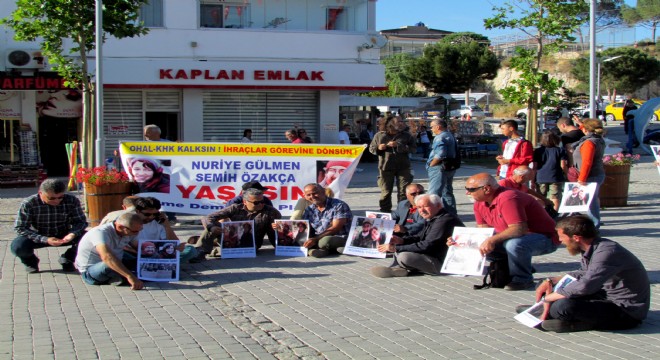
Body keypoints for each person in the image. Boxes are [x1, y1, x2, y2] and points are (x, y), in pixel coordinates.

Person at [520, 215, 649, 333]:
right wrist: (550, 280)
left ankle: (565, 318)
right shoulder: (591, 248)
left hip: (625, 311)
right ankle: (547, 312)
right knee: (544, 287)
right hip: (603, 294)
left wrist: (548, 299)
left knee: (563, 306)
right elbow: (584, 273)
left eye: (562, 237)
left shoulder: (607, 252)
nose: (560, 241)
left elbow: (585, 285)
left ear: (576, 238)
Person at [463, 173, 559, 290]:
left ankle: (523, 279)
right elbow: (483, 230)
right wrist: (461, 242)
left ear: (486, 189)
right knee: (483, 245)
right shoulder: (479, 203)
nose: (467, 193)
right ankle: (513, 267)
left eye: (471, 189)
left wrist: (492, 240)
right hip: (517, 237)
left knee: (514, 244)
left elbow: (519, 228)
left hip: (545, 237)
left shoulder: (508, 198)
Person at [371, 193, 464, 278]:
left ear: (439, 206)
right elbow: (420, 237)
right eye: (419, 207)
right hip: (431, 254)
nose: (422, 210)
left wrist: (396, 248)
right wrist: (401, 241)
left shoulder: (444, 220)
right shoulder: (434, 217)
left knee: (404, 256)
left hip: (444, 262)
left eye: (426, 206)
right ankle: (399, 268)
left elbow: (427, 245)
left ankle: (402, 268)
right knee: (400, 249)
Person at [12, 179, 88, 273]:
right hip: (38, 235)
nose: (57, 201)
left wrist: (72, 234)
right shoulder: (29, 203)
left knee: (89, 239)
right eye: (51, 198)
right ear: (40, 193)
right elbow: (20, 228)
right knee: (18, 246)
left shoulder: (71, 200)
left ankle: (68, 258)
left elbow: (81, 222)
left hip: (64, 234)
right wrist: (45, 239)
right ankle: (31, 262)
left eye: (60, 197)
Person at [192, 188, 282, 261]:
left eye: (262, 201)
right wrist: (212, 227)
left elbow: (276, 235)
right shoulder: (235, 208)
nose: (261, 204)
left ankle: (216, 250)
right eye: (256, 203)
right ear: (245, 202)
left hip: (251, 244)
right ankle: (200, 251)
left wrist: (277, 228)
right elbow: (208, 217)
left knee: (226, 252)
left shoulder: (271, 212)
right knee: (212, 226)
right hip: (232, 237)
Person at [75, 213, 145, 290]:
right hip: (90, 271)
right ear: (120, 227)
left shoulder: (129, 231)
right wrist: (130, 276)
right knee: (110, 263)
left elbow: (138, 247)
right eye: (135, 231)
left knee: (140, 262)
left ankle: (119, 276)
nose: (137, 233)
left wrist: (149, 252)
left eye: (139, 230)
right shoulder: (100, 233)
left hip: (116, 260)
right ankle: (124, 277)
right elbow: (107, 257)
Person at [369, 116, 416, 212]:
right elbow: (371, 149)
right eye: (399, 121)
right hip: (385, 167)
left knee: (404, 192)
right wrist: (379, 148)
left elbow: (413, 149)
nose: (401, 123)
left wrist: (399, 145)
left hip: (403, 167)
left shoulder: (406, 135)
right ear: (391, 123)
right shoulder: (380, 135)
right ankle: (385, 212)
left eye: (402, 121)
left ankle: (403, 212)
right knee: (386, 191)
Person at [299, 183, 352, 258]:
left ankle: (317, 249)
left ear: (323, 192)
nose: (312, 196)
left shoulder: (339, 205)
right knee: (298, 240)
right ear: (305, 196)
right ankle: (332, 250)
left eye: (315, 193)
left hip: (338, 236)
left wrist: (315, 239)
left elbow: (336, 228)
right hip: (316, 237)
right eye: (309, 195)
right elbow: (306, 227)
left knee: (325, 241)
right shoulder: (309, 209)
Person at [572, 119, 606, 228]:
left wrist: (582, 178)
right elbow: (586, 129)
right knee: (592, 200)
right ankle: (594, 224)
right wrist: (581, 123)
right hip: (596, 173)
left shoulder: (589, 142)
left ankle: (595, 225)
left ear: (586, 130)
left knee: (591, 202)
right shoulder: (598, 138)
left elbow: (587, 161)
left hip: (590, 175)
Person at [426, 120, 458, 214]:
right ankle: (451, 214)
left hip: (439, 168)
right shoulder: (449, 135)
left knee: (433, 194)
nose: (431, 129)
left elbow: (440, 154)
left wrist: (431, 164)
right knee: (447, 192)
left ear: (438, 127)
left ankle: (431, 215)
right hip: (448, 167)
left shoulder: (440, 137)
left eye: (432, 127)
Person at [533, 130, 568, 211]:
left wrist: (532, 179)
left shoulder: (538, 151)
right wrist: (567, 174)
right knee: (554, 196)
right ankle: (554, 215)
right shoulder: (560, 150)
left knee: (541, 196)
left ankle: (542, 214)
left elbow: (535, 166)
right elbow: (563, 165)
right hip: (555, 176)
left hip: (540, 177)